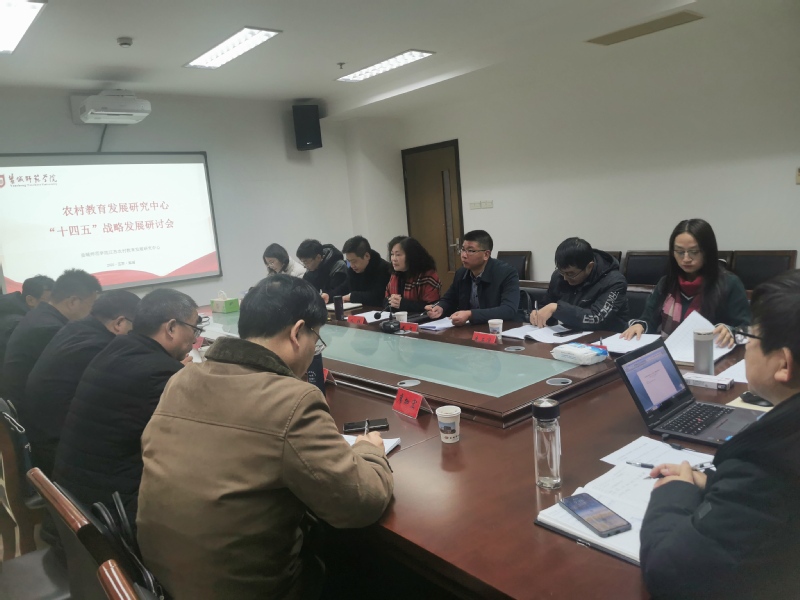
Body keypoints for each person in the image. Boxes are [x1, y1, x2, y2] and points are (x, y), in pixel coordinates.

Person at [137, 275, 393, 599]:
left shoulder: (182, 379)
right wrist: (370, 452)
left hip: (162, 579)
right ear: (297, 333)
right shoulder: (292, 400)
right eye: (316, 339)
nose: (314, 349)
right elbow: (360, 504)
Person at [639, 270, 800, 599]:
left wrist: (677, 491)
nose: (746, 347)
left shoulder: (769, 469)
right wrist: (716, 483)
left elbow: (669, 572)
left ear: (784, 364)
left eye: (750, 338)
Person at [53, 288, 199, 523]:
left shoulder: (115, 350)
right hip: (111, 514)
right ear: (171, 327)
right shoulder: (159, 373)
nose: (194, 339)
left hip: (77, 499)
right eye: (194, 329)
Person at [24, 290, 141, 477]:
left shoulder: (75, 329)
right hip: (61, 452)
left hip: (43, 435)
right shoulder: (101, 347)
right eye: (137, 329)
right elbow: (128, 396)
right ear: (119, 323)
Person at [621, 219, 750, 347]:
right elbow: (648, 319)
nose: (686, 259)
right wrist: (640, 325)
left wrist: (730, 331)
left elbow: (748, 330)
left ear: (708, 251)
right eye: (680, 252)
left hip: (711, 354)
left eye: (694, 252)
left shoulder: (729, 283)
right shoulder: (666, 283)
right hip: (669, 353)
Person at [1, 269, 101, 415]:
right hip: (31, 414)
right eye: (92, 305)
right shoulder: (50, 329)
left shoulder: (40, 315)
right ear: (73, 302)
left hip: (29, 405)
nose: (93, 312)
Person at [530, 238, 629, 332]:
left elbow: (597, 318)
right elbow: (547, 305)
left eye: (571, 274)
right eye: (562, 272)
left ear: (589, 266)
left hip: (607, 337)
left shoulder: (614, 281)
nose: (565, 278)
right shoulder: (559, 277)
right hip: (569, 335)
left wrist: (557, 308)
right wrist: (538, 314)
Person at [425, 230, 519, 326]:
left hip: (500, 328)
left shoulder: (506, 273)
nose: (464, 255)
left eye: (470, 251)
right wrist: (441, 307)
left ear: (486, 255)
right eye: (463, 250)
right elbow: (449, 299)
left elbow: (508, 309)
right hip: (470, 328)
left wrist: (470, 314)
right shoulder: (461, 273)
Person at [0, 275, 54, 370]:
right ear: (30, 300)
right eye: (50, 301)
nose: (54, 306)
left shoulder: (12, 313)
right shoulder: (17, 325)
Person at [385, 236, 441, 313]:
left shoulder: (427, 276)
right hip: (398, 317)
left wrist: (403, 304)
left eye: (398, 255)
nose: (393, 259)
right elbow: (385, 300)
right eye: (392, 254)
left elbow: (433, 306)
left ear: (411, 256)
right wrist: (391, 302)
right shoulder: (395, 275)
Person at [341, 235, 391, 307]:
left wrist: (353, 296)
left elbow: (378, 296)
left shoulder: (384, 269)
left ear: (367, 256)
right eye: (349, 261)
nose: (351, 265)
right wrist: (329, 295)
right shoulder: (353, 270)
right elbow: (344, 287)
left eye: (354, 261)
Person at [297, 239, 348, 303]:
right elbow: (305, 291)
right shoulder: (311, 269)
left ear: (318, 257)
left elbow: (339, 292)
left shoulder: (338, 266)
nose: (304, 266)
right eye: (303, 262)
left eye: (306, 262)